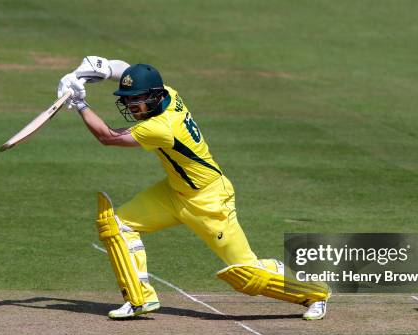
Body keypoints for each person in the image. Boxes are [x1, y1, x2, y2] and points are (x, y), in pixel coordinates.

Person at [57, 56, 329, 320]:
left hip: (209, 201)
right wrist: (94, 71)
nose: (131, 105)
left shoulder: (162, 127)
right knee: (116, 225)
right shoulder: (169, 94)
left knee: (247, 275)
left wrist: (79, 102)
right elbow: (128, 70)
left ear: (152, 97)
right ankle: (139, 299)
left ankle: (315, 293)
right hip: (174, 193)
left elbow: (107, 137)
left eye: (136, 99)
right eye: (128, 99)